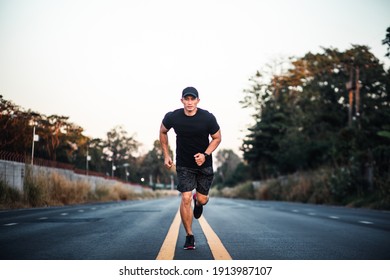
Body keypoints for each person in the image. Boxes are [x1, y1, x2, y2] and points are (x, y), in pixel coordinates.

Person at [159, 86, 222, 250]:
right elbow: (163, 131)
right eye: (186, 99)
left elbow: (217, 138)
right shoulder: (173, 117)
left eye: (192, 99)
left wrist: (205, 154)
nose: (189, 102)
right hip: (184, 164)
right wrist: (166, 155)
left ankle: (199, 203)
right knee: (185, 197)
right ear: (182, 101)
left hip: (204, 164)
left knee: (201, 199)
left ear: (197, 101)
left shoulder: (207, 118)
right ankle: (189, 235)